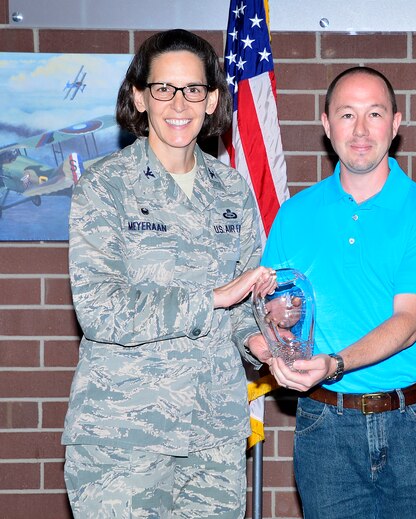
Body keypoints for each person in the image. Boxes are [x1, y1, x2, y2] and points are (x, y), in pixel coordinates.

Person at [62, 29, 277, 518]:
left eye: (193, 89)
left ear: (212, 99)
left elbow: (244, 304)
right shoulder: (104, 186)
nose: (178, 103)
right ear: (139, 96)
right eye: (163, 88)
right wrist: (212, 298)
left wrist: (259, 340)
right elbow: (99, 311)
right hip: (122, 439)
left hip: (213, 439)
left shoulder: (231, 190)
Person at [249, 66, 416, 518]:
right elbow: (271, 316)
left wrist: (334, 364)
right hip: (324, 427)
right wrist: (274, 349)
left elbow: (406, 325)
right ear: (326, 125)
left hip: (411, 424)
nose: (360, 130)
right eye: (346, 115)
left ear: (395, 124)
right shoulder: (293, 215)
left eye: (374, 114)